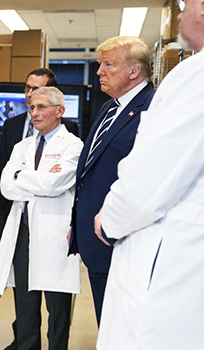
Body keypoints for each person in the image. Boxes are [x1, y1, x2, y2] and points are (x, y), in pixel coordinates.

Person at [94, 1, 204, 348]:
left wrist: (108, 219)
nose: (180, 13)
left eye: (185, 4)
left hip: (172, 262)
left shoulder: (194, 78)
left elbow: (148, 182)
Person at [67, 36, 155, 325]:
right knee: (106, 324)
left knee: (125, 328)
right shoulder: (109, 108)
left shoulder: (153, 110)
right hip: (97, 239)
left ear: (134, 71)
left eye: (109, 64)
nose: (99, 71)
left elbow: (147, 179)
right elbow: (91, 169)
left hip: (124, 241)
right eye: (100, 64)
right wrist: (76, 224)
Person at [0, 87, 82, 350]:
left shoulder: (73, 146)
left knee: (58, 310)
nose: (34, 113)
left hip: (55, 235)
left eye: (41, 107)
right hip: (23, 232)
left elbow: (56, 184)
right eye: (31, 108)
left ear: (59, 111)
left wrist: (23, 176)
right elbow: (7, 186)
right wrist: (34, 179)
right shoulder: (22, 146)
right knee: (26, 309)